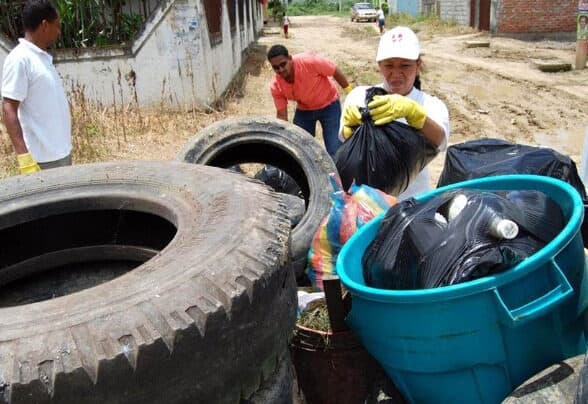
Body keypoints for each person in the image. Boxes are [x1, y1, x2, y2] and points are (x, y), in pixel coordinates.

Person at [339, 26, 450, 200]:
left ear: (418, 65)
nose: (396, 73)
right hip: (365, 203)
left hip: (412, 202)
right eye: (388, 65)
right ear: (379, 65)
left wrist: (414, 114)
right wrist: (349, 128)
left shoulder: (431, 105)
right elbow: (349, 145)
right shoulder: (359, 97)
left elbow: (440, 142)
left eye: (405, 66)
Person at [1, 0, 72, 175]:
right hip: (41, 161)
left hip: (60, 153)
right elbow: (9, 107)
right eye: (57, 26)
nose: (58, 32)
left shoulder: (41, 58)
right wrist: (23, 157)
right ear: (44, 25)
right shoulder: (20, 59)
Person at [268, 44, 353, 157]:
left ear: (290, 58)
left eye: (283, 64)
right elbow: (282, 116)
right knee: (299, 147)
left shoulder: (309, 61)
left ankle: (337, 174)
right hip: (305, 110)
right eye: (276, 67)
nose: (281, 70)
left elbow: (334, 71)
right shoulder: (276, 85)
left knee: (335, 150)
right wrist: (280, 140)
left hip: (329, 105)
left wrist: (350, 93)